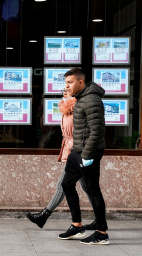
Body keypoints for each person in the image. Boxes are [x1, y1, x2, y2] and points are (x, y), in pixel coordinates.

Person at [26, 89, 93, 229]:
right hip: (72, 151)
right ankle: (100, 219)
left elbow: (80, 132)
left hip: (77, 152)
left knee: (65, 185)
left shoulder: (77, 108)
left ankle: (45, 216)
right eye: (63, 90)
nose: (64, 92)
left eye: (67, 90)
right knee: (87, 187)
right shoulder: (67, 108)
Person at [58, 67, 109, 245]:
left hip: (89, 151)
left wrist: (87, 156)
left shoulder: (92, 100)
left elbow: (97, 131)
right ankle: (77, 225)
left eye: (70, 82)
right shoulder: (81, 99)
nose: (67, 86)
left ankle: (101, 233)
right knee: (66, 184)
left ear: (81, 82)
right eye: (66, 82)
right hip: (77, 150)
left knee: (93, 189)